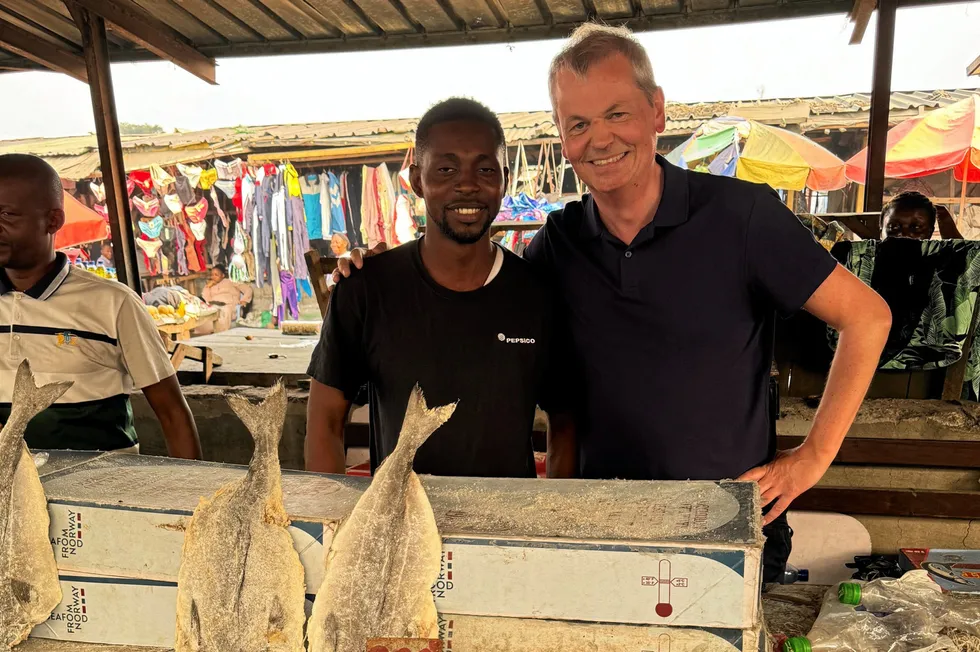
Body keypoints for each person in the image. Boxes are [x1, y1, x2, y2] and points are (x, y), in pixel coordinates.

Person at [336, 25, 892, 583]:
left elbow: (868, 317)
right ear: (562, 137)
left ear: (657, 111)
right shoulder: (558, 243)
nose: (599, 140)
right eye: (578, 124)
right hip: (603, 533)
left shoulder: (741, 217)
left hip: (729, 533)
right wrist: (379, 269)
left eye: (617, 114)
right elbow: (472, 294)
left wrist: (812, 457)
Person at [306, 98, 569, 478]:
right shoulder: (365, 289)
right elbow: (325, 421)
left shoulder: (538, 295)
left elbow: (565, 423)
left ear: (504, 180)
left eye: (485, 168)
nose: (467, 184)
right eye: (446, 169)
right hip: (397, 527)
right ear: (417, 180)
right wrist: (331, 522)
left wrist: (553, 527)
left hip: (506, 531)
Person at [0, 154, 202, 458]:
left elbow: (172, 413)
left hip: (100, 494)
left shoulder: (113, 303)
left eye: (6, 215)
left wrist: (190, 495)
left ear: (53, 220)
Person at [880, 191, 962, 240]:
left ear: (930, 232)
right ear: (881, 231)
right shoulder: (870, 262)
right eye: (894, 227)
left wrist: (945, 220)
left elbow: (964, 257)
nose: (904, 235)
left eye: (916, 227)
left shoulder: (938, 264)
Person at [201, 263, 253, 333]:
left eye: (216, 275)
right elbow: (206, 298)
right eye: (212, 275)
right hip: (214, 305)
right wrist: (207, 287)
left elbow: (248, 289)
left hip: (230, 306)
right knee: (207, 313)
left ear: (222, 275)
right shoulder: (210, 285)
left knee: (224, 311)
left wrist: (244, 300)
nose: (213, 277)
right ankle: (206, 336)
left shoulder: (231, 281)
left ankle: (221, 335)